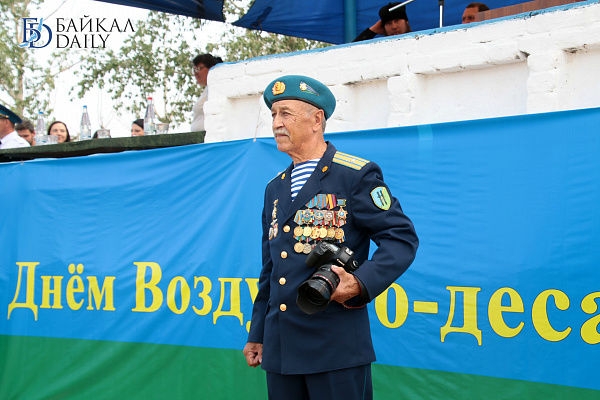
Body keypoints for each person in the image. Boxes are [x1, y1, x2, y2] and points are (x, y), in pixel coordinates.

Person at [242, 75, 419, 399]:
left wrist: (360, 283)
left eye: (286, 113)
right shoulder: (275, 188)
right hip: (282, 350)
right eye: (273, 115)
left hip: (335, 349)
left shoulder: (354, 174)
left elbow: (401, 238)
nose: (276, 123)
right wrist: (259, 333)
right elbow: (272, 267)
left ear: (316, 119)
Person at [190, 53, 223, 133]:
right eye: (194, 69)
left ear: (211, 68)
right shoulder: (207, 89)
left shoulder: (217, 88)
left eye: (199, 68)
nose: (196, 73)